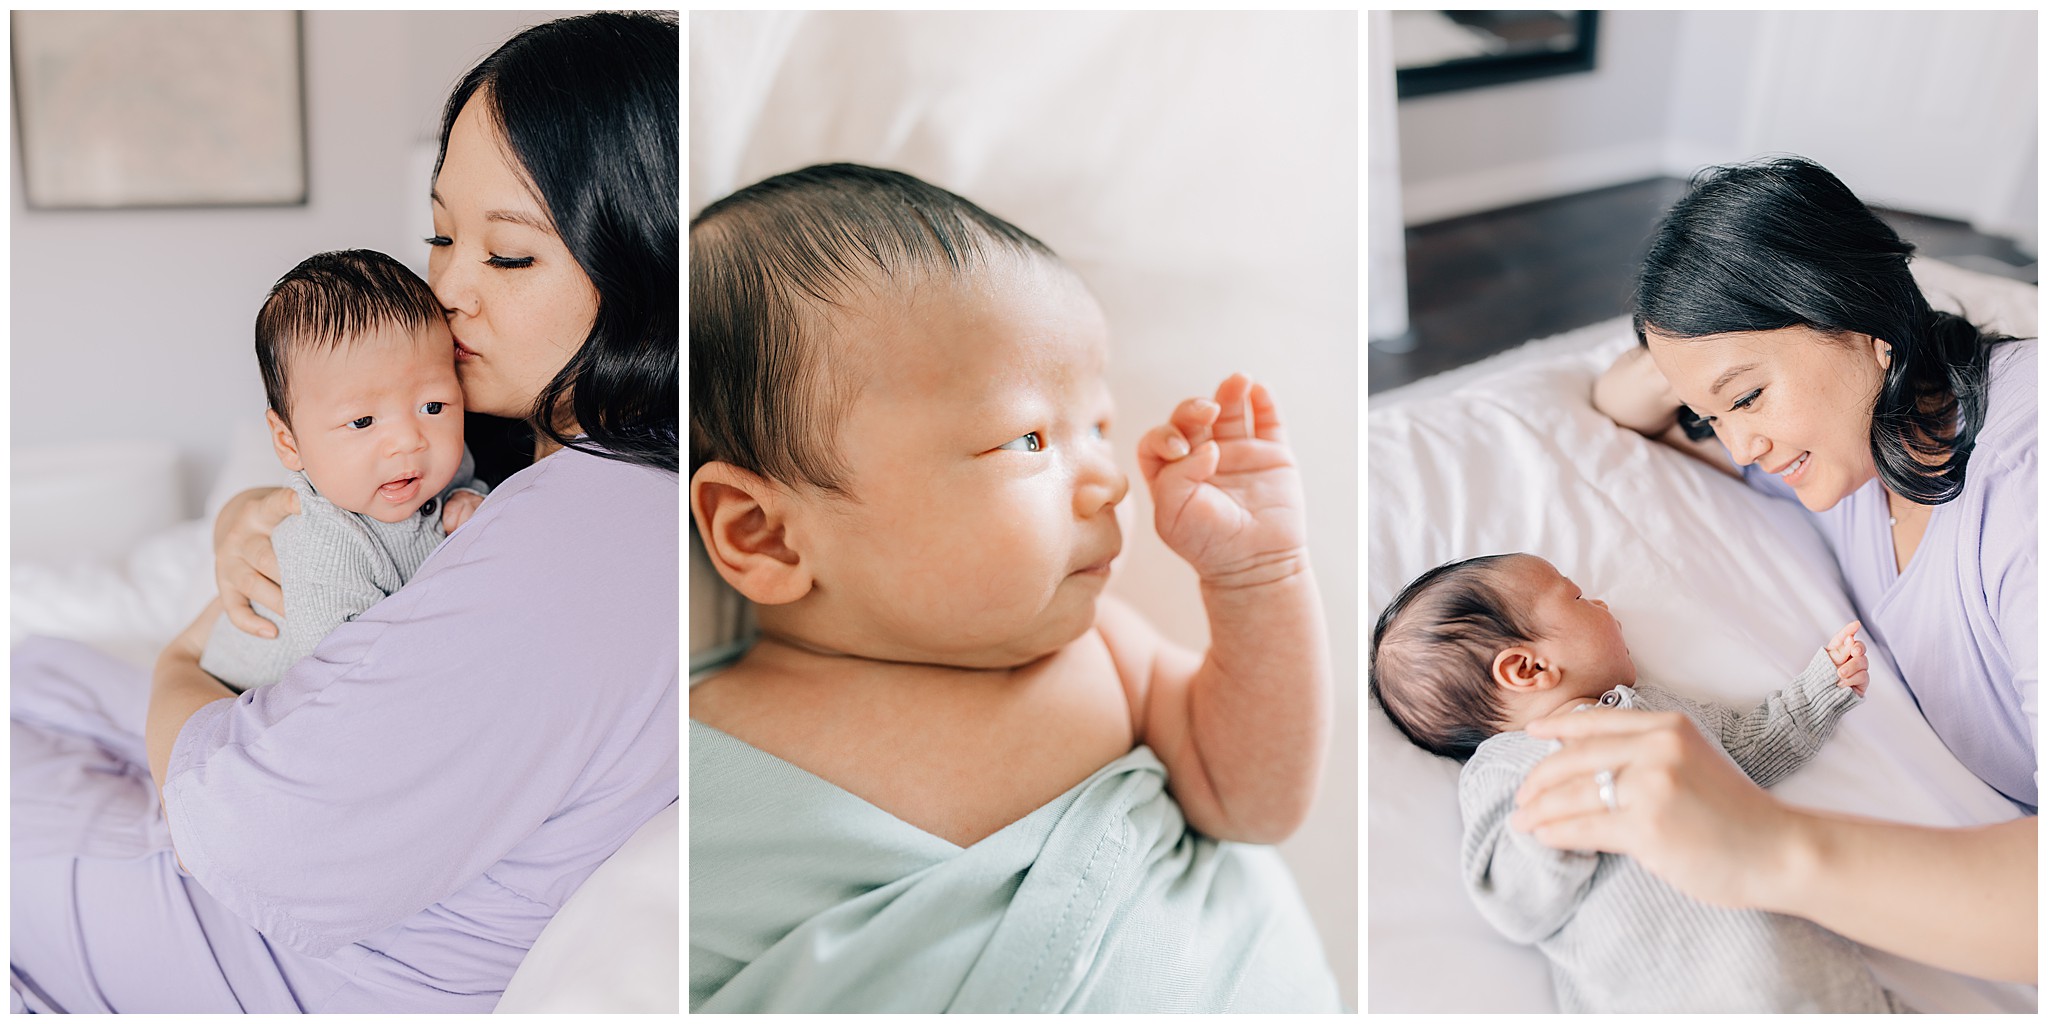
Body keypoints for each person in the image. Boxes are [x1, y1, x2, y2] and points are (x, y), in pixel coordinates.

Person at [9, 11, 678, 1012]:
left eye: (506, 255)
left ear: (642, 263)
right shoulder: (544, 470)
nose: (445, 287)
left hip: (300, 959)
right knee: (38, 672)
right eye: (441, 234)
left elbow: (249, 832)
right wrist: (249, 522)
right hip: (304, 883)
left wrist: (177, 668)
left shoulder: (593, 531)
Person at [687, 164, 1339, 1011]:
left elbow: (1258, 802)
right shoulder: (697, 758)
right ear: (764, 532)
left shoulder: (1107, 651)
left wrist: (1258, 575)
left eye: (1097, 425)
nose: (1108, 478)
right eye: (1027, 438)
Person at [1521, 155, 2036, 984]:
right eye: (1712, 414)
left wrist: (1761, 848)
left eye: (1749, 398)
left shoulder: (2024, 489)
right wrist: (1704, 349)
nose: (1739, 446)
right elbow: (1621, 405)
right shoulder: (1859, 436)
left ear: (1855, 315)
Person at [1372, 552, 1898, 1011]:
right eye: (1577, 597)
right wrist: (1574, 812)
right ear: (1529, 668)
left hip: (1808, 975)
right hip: (1664, 993)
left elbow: (1744, 752)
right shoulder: (1509, 763)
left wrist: (1817, 692)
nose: (1602, 604)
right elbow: (1510, 897)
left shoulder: (1659, 710)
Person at [199, 249, 488, 692]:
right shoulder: (324, 545)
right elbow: (349, 683)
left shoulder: (440, 464)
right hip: (240, 700)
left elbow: (463, 482)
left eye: (433, 406)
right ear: (288, 443)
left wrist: (466, 499)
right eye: (363, 422)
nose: (409, 440)